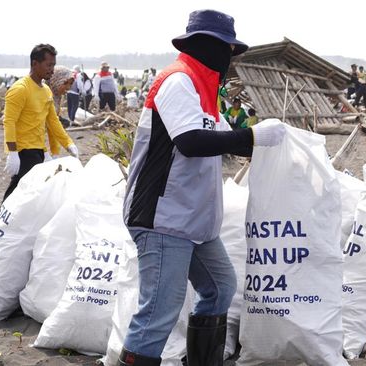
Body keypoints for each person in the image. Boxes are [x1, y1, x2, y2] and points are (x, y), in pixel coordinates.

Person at [119, 10, 286, 365]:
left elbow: (224, 139)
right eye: (227, 50)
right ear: (208, 47)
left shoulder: (204, 90)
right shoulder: (178, 81)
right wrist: (254, 135)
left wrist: (277, 146)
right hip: (163, 218)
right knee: (159, 312)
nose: (230, 59)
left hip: (193, 221)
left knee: (220, 287)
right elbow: (191, 141)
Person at [1, 44, 78, 202]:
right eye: (48, 65)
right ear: (35, 64)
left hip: (38, 150)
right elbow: (9, 122)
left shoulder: (46, 91)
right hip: (22, 151)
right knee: (19, 194)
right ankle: (1, 219)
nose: (52, 69)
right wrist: (13, 153)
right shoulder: (20, 89)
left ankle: (2, 217)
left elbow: (53, 121)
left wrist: (68, 143)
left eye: (53, 65)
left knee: (25, 194)